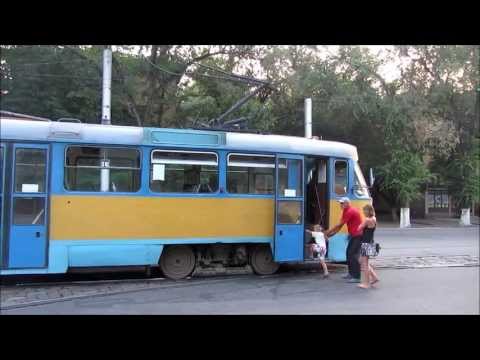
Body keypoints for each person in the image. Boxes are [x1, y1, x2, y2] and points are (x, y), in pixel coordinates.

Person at [324, 197, 363, 283]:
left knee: (353, 255)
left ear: (347, 203)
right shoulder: (345, 211)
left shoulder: (350, 211)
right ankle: (351, 273)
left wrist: (327, 233)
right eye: (340, 203)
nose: (340, 205)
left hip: (358, 235)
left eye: (342, 203)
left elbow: (339, 224)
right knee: (348, 253)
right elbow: (340, 226)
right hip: (353, 235)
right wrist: (331, 235)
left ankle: (357, 277)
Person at [357, 204, 380, 289]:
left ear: (368, 211)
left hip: (365, 243)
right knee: (361, 261)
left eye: (364, 210)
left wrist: (361, 224)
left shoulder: (367, 220)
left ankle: (366, 283)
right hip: (370, 242)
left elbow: (358, 228)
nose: (363, 212)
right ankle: (374, 277)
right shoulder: (374, 218)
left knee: (364, 264)